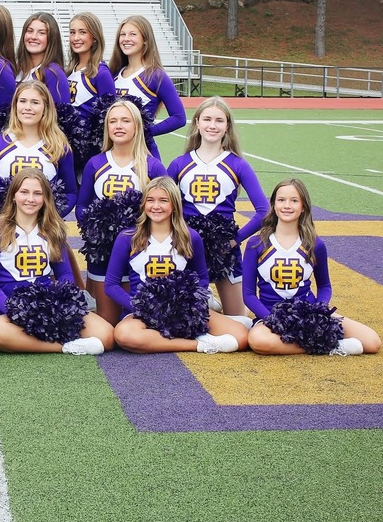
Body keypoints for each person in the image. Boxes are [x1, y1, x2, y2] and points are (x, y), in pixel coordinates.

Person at [0, 169, 114, 355]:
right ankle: (65, 346)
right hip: (10, 312)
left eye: (37, 193)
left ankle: (29, 340)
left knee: (106, 335)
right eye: (24, 192)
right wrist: (13, 309)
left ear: (45, 199)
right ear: (13, 196)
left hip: (49, 309)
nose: (30, 199)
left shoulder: (52, 229)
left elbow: (65, 274)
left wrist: (59, 305)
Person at [107, 177, 249, 354]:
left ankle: (209, 326)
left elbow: (202, 278)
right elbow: (111, 284)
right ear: (143, 205)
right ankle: (201, 344)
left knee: (241, 337)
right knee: (124, 335)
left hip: (182, 311)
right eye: (150, 200)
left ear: (174, 204)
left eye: (163, 200)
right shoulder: (127, 237)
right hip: (142, 313)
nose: (156, 206)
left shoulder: (190, 237)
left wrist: (186, 306)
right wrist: (139, 307)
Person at [243, 179, 381, 356]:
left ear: (303, 207)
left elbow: (324, 286)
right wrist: (271, 319)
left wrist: (317, 313)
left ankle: (313, 342)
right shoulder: (256, 244)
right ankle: (330, 346)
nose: (287, 205)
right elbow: (248, 294)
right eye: (281, 200)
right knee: (258, 341)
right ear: (273, 205)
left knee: (372, 342)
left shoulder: (315, 244)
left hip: (308, 312)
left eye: (294, 200)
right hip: (271, 315)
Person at [167, 97, 268, 316]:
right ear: (197, 123)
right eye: (207, 119)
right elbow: (160, 204)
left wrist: (234, 240)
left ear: (227, 126)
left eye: (219, 120)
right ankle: (207, 302)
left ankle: (212, 303)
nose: (212, 125)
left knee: (238, 320)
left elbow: (264, 211)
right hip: (187, 246)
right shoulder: (179, 164)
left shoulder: (238, 164)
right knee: (184, 316)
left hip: (225, 250)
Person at [76, 99, 167, 325]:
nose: (118, 125)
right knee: (108, 322)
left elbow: (168, 207)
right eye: (113, 121)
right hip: (104, 253)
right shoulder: (95, 163)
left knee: (135, 318)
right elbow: (82, 205)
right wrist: (95, 231)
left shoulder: (152, 166)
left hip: (139, 250)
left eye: (125, 120)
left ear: (136, 126)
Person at [0, 81, 77, 217]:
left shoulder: (59, 147)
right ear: (15, 106)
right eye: (22, 101)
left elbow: (71, 193)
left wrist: (50, 217)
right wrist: (0, 212)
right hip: (4, 228)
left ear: (46, 107)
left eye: (35, 102)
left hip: (44, 231)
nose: (28, 107)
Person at [107, 15, 186, 160]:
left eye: (133, 34)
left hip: (143, 154)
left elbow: (179, 117)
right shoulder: (113, 74)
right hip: (114, 152)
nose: (126, 39)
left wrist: (145, 132)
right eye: (122, 34)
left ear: (145, 40)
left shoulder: (155, 75)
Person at [66, 12, 115, 119]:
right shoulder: (69, 71)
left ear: (94, 37)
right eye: (72, 32)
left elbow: (108, 118)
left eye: (82, 32)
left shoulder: (101, 73)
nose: (76, 38)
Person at [15, 12, 69, 105]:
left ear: (52, 38)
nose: (33, 37)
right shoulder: (16, 68)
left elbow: (64, 114)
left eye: (41, 33)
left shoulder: (53, 72)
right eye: (30, 31)